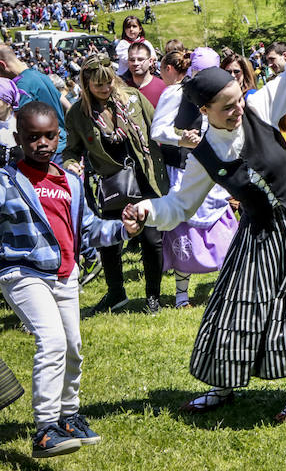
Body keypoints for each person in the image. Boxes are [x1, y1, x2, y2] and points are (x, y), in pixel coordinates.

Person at [130, 60, 286, 422]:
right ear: (204, 111)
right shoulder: (205, 153)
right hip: (259, 231)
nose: (237, 109)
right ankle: (222, 388)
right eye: (227, 107)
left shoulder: (260, 109)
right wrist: (145, 210)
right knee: (234, 307)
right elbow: (181, 205)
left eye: (238, 99)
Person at [0, 101, 141, 458]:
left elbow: (90, 229)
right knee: (52, 342)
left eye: (49, 136)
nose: (42, 144)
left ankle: (68, 417)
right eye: (33, 137)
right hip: (23, 273)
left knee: (73, 346)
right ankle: (45, 428)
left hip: (65, 274)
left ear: (59, 137)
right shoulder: (7, 181)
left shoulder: (70, 182)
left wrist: (122, 229)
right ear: (19, 138)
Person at [62, 53, 168, 315]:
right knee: (109, 240)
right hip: (112, 184)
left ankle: (153, 295)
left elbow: (157, 124)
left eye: (108, 82)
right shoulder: (78, 114)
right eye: (98, 85)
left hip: (145, 178)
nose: (105, 88)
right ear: (86, 84)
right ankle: (116, 293)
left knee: (152, 239)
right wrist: (71, 163)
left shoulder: (131, 98)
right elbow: (71, 150)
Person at [151, 49, 239, 309]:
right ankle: (181, 295)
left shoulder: (222, 94)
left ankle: (228, 288)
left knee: (223, 228)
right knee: (185, 229)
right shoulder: (175, 93)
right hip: (184, 168)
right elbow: (158, 130)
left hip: (214, 168)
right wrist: (181, 138)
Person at [0, 45, 67, 162]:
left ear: (2, 65)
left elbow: (19, 123)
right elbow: (66, 104)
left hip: (45, 152)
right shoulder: (39, 76)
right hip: (61, 144)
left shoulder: (22, 86)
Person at [123, 42, 165, 108]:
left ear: (150, 61)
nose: (135, 63)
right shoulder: (122, 88)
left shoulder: (163, 89)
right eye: (132, 60)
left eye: (140, 59)